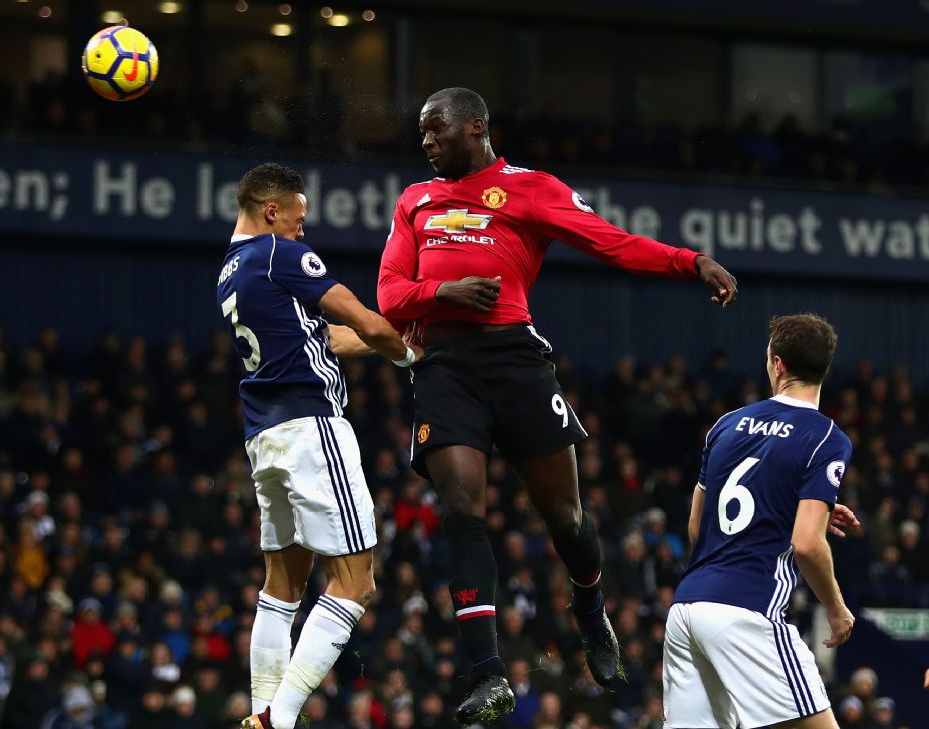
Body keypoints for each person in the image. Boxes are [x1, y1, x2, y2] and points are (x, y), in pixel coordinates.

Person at [375, 86, 739, 722]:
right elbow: (390, 295)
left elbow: (612, 242)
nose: (426, 142)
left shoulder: (531, 188)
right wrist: (447, 292)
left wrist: (691, 261)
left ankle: (590, 605)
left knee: (565, 519)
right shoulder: (415, 201)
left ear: (475, 128)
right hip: (444, 370)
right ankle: (486, 673)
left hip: (515, 362)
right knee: (461, 508)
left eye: (437, 131)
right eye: (422, 133)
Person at [216, 163, 419, 729]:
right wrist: (410, 357)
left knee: (282, 584)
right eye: (299, 222)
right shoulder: (280, 255)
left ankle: (259, 714)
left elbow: (323, 337)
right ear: (272, 211)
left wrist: (390, 342)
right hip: (313, 430)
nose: (304, 233)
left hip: (266, 438)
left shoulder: (232, 271)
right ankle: (279, 719)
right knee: (356, 582)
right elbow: (363, 319)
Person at [664, 314, 857, 729]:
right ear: (824, 369)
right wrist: (837, 609)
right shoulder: (826, 438)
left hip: (686, 610)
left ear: (778, 363)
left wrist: (792, 509)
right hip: (749, 610)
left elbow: (699, 526)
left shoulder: (725, 426)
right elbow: (806, 545)